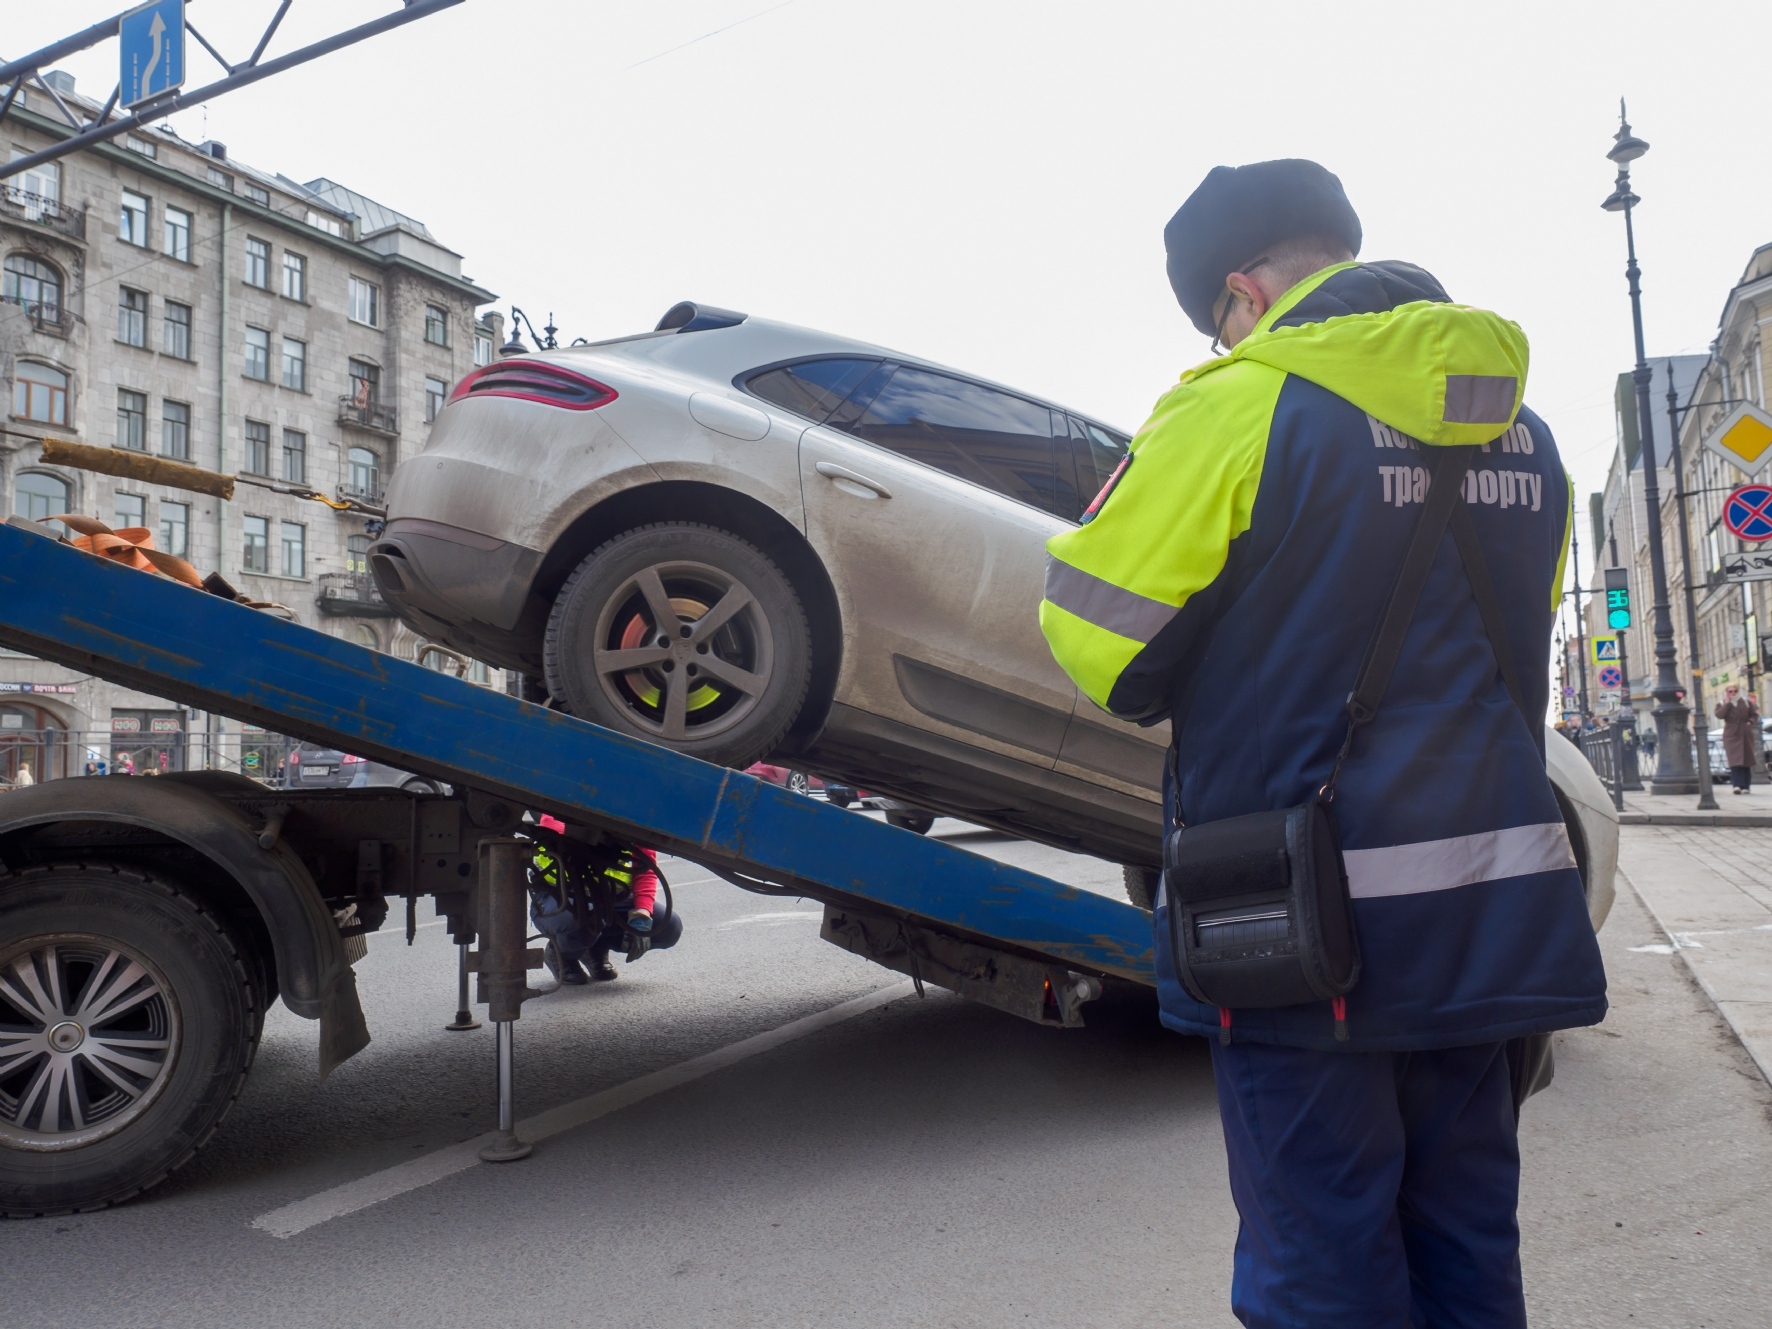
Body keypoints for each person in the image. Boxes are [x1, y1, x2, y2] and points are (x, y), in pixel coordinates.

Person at [1040, 159, 1607, 1327]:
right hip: (1485, 914)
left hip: (1302, 930)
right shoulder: (1524, 430)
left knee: (1320, 1266)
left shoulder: (1237, 404)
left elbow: (1100, 648)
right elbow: (1513, 639)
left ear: (1240, 293)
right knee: (1464, 1245)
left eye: (1215, 318)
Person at [527, 815, 682, 983]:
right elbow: (556, 829)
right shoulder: (562, 809)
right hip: (557, 895)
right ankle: (561, 955)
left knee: (669, 927)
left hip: (608, 896)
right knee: (585, 917)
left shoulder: (634, 814)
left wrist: (642, 914)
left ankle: (595, 949)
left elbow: (645, 869)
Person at [1714, 683, 1759, 794]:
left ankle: (1746, 787)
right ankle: (1737, 786)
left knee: (1746, 761)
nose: (1733, 693)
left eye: (1735, 691)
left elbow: (1754, 715)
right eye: (1730, 691)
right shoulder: (1722, 703)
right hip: (1731, 735)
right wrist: (1727, 704)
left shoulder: (1745, 702)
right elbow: (1720, 715)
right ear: (1726, 693)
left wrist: (1750, 722)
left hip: (1745, 733)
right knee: (1734, 761)